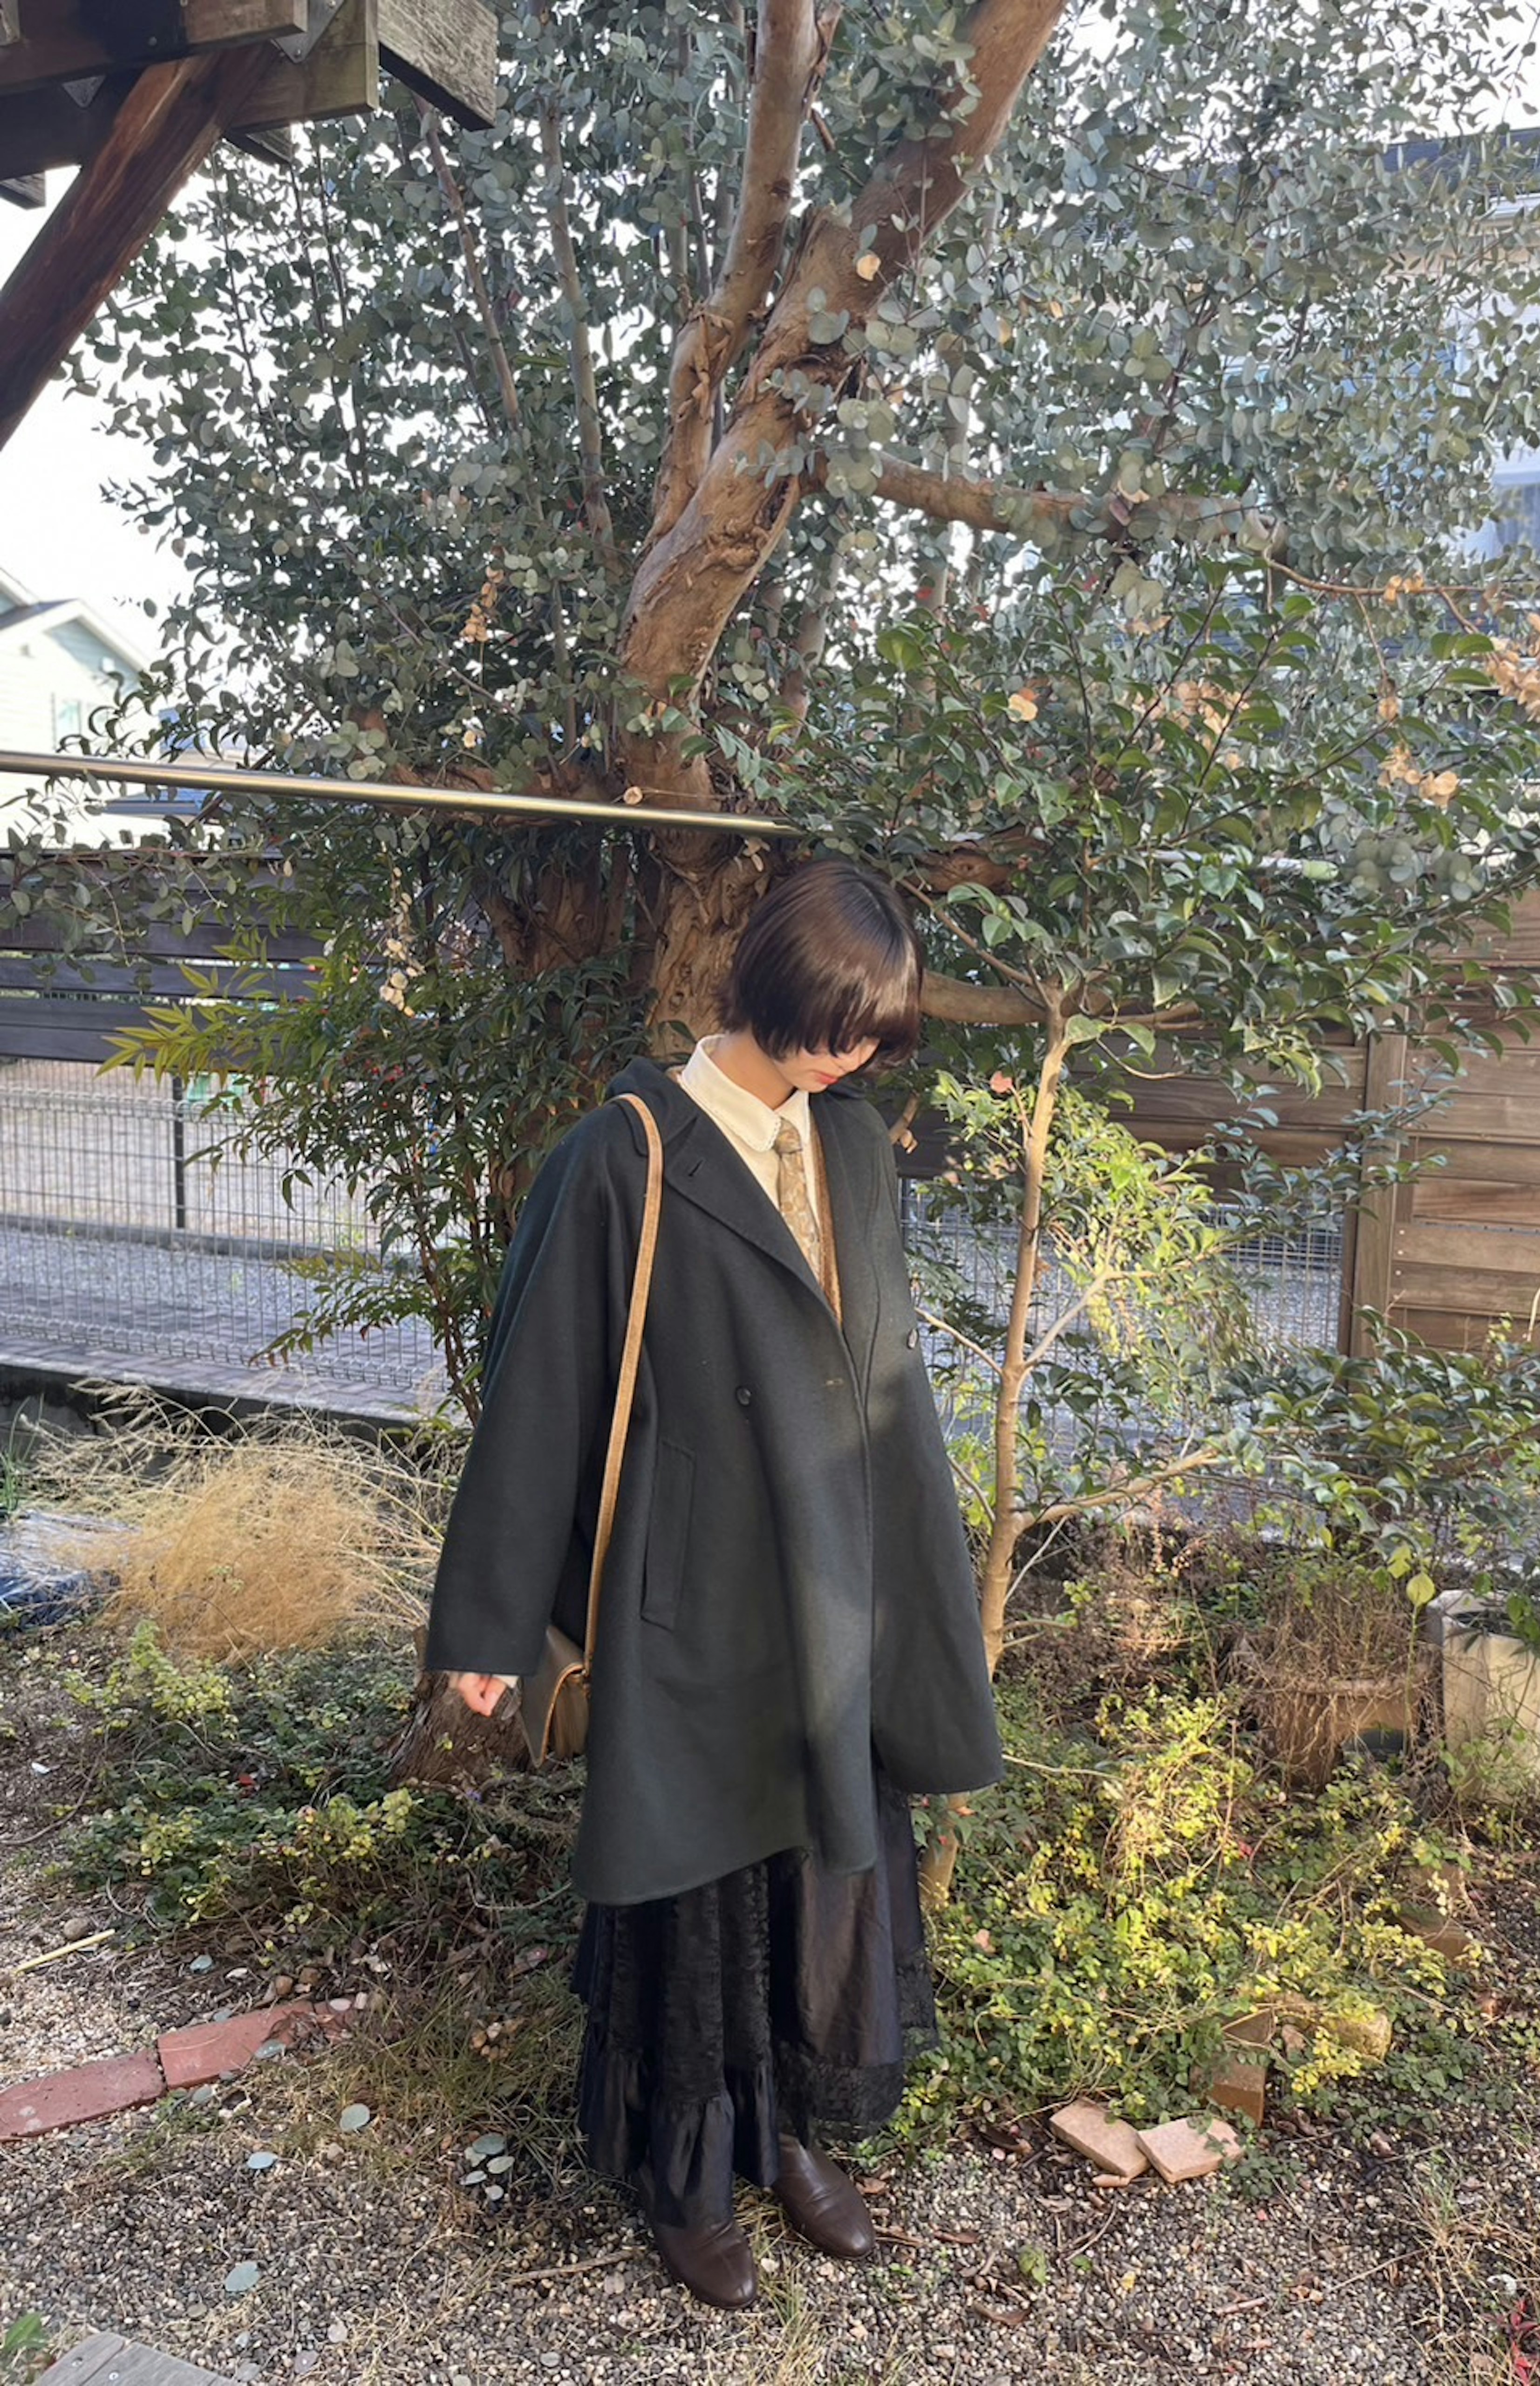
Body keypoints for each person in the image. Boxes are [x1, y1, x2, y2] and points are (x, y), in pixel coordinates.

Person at [423, 858, 1003, 2309]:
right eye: (835, 1026)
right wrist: (491, 1625)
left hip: (839, 1596)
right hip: (690, 1605)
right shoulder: (627, 1154)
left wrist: (915, 1579)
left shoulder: (854, 1144)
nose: (855, 1055)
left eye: (873, 1032)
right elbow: (540, 1392)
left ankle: (790, 2133)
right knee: (691, 1890)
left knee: (820, 1875)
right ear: (768, 990)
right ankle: (687, 2178)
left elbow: (881, 1376)